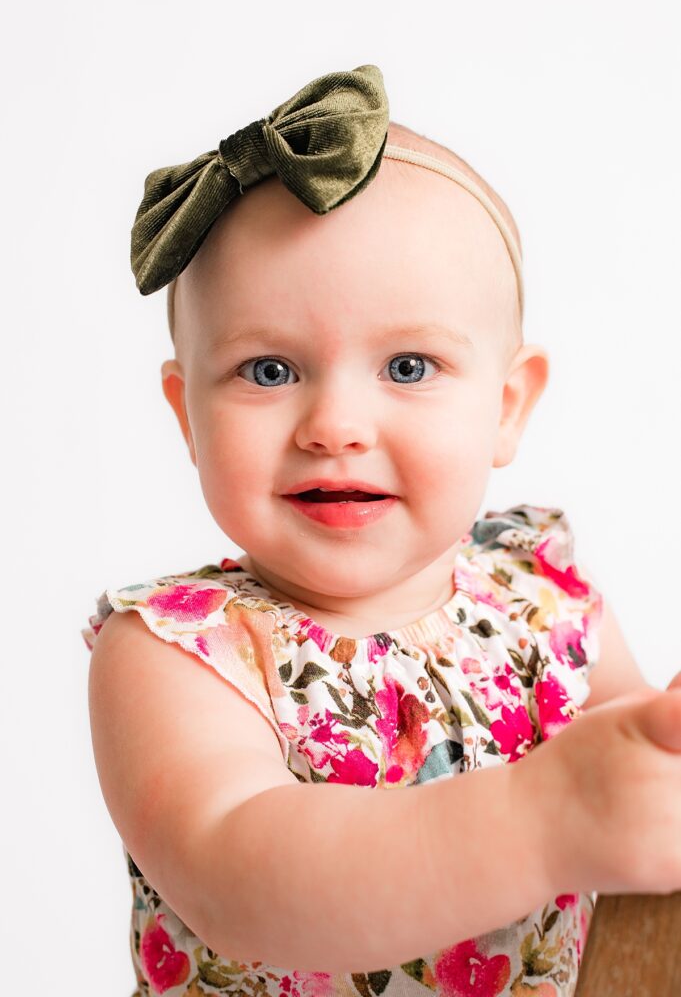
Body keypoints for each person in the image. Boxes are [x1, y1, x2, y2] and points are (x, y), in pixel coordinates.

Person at [81, 64, 681, 997]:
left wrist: (651, 755)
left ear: (507, 407)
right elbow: (242, 873)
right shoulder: (177, 657)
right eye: (269, 371)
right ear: (185, 415)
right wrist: (542, 819)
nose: (334, 425)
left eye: (407, 365)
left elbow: (636, 782)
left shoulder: (544, 599)